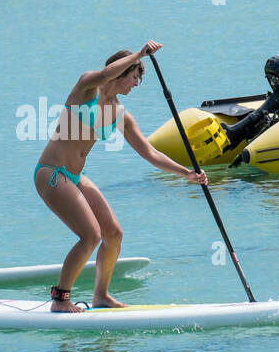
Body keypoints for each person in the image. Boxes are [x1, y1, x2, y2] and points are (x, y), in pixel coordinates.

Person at [35, 41, 208, 312]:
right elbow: (105, 75)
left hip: (75, 177)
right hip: (51, 173)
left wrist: (186, 173)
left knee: (113, 233)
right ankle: (60, 299)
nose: (137, 84)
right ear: (122, 71)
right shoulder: (86, 88)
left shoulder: (120, 114)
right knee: (90, 235)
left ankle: (101, 295)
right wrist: (139, 54)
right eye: (135, 75)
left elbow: (150, 153)